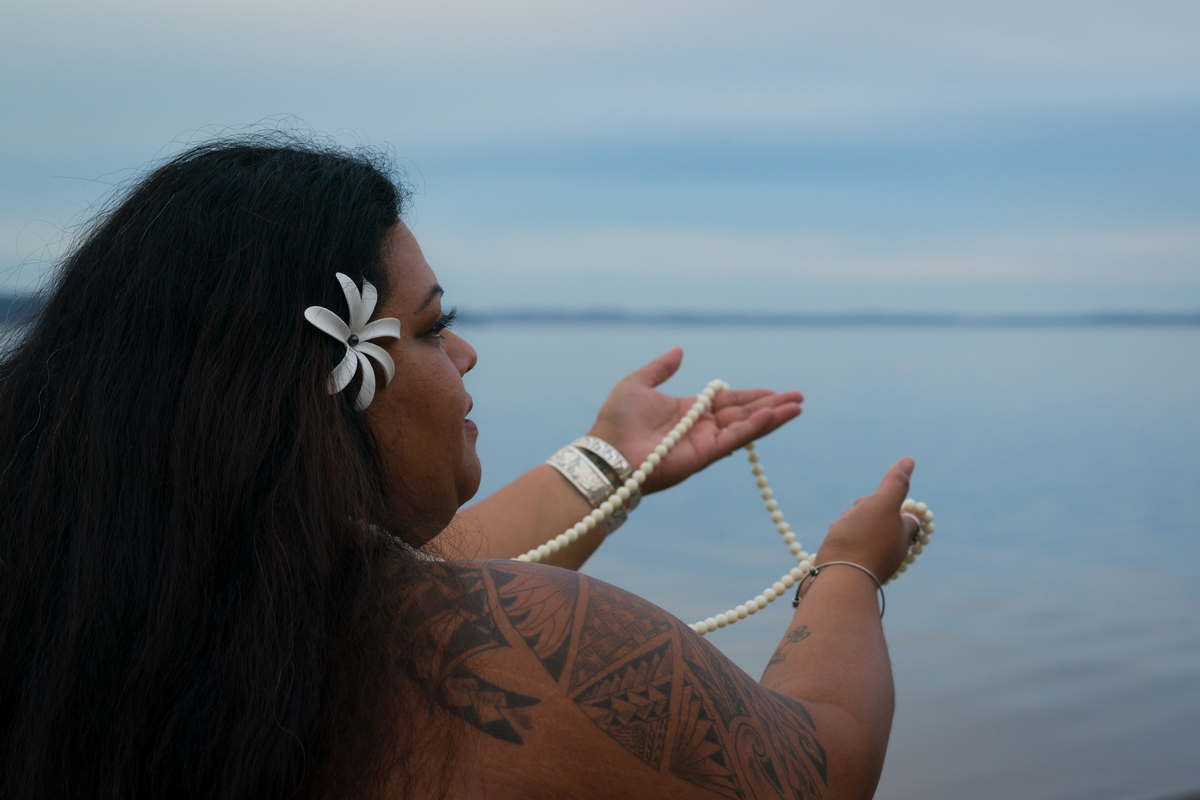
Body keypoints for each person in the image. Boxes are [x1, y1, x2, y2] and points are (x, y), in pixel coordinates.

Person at [0, 135, 919, 799]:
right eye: (435, 327)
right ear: (331, 374)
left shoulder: (87, 603)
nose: (468, 355)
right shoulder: (500, 653)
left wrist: (611, 462)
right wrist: (844, 571)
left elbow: (418, 577)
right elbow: (819, 769)